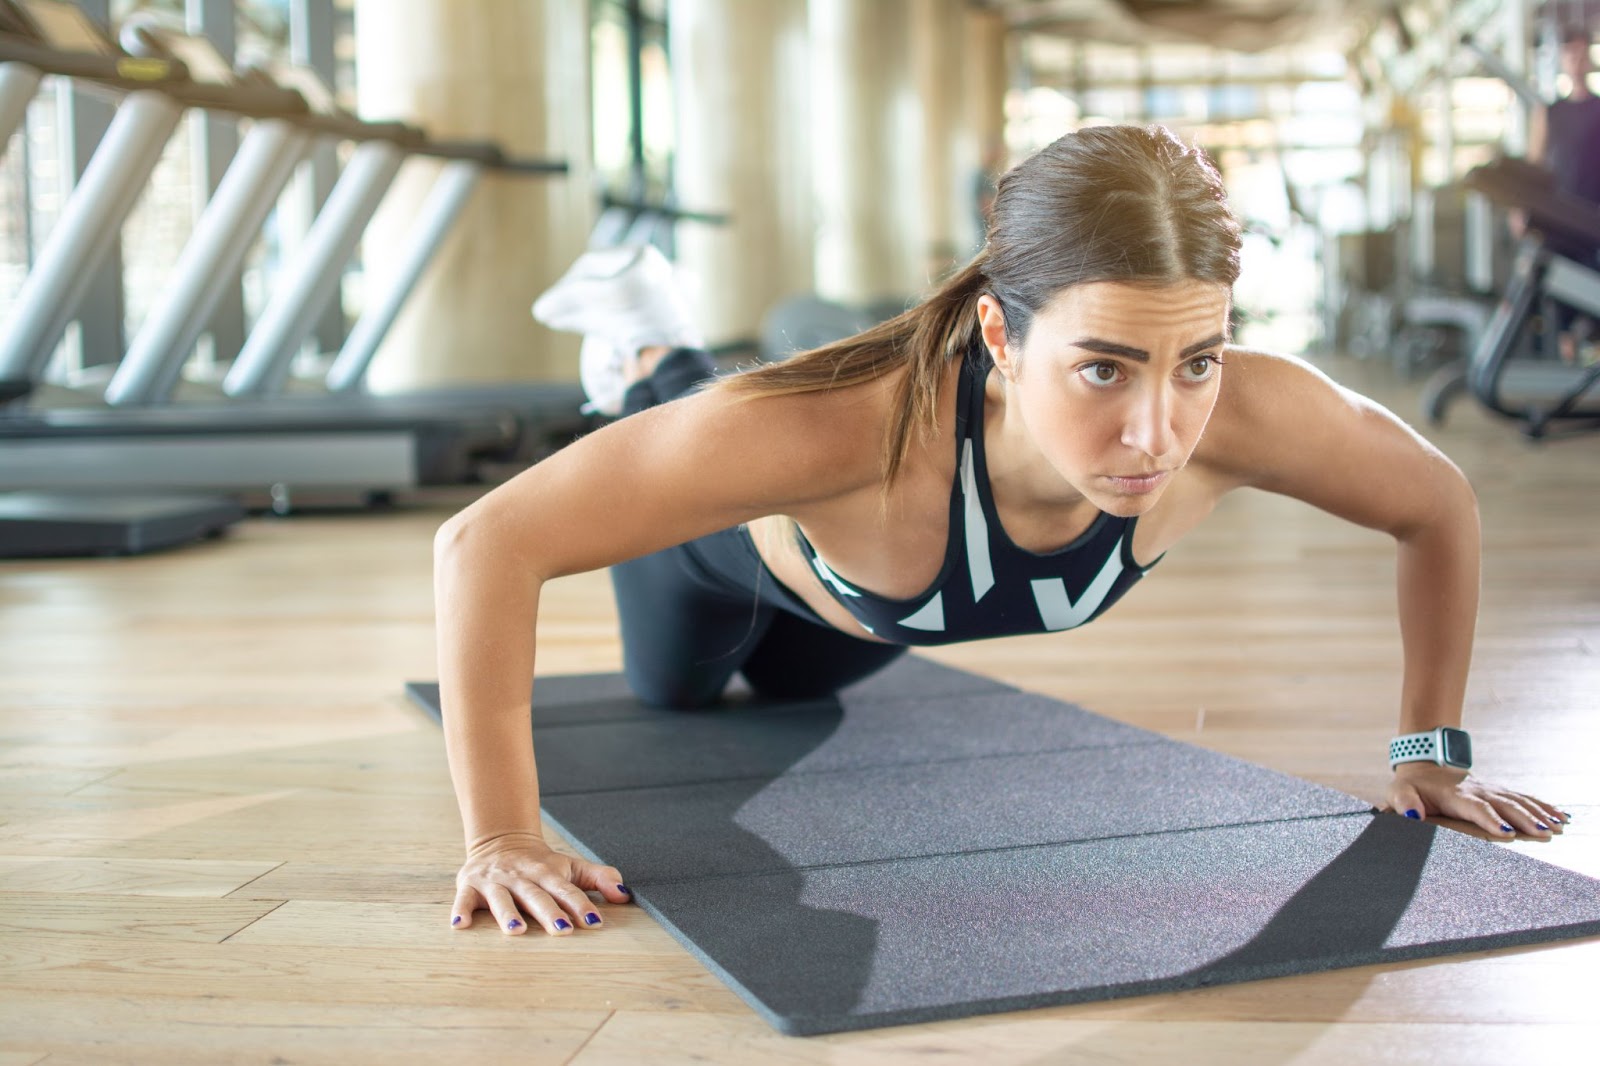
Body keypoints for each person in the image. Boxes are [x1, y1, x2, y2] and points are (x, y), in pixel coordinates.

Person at [435, 124, 1570, 938]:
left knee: (792, 694)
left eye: (1198, 361)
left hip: (875, 617)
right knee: (674, 695)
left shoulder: (1252, 413)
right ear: (1000, 334)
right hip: (715, 563)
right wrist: (501, 837)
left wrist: (1428, 753)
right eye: (1101, 368)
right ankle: (652, 349)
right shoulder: (850, 433)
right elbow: (484, 543)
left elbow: (1436, 504)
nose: (1155, 430)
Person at [1528, 25, 1600, 363]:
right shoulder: (1549, 113)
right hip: (1559, 223)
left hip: (1594, 221)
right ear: (1562, 60)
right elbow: (1535, 164)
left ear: (1589, 59)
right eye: (1570, 53)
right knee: (1560, 299)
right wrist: (1522, 211)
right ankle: (1566, 364)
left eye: (1582, 53)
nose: (1577, 59)